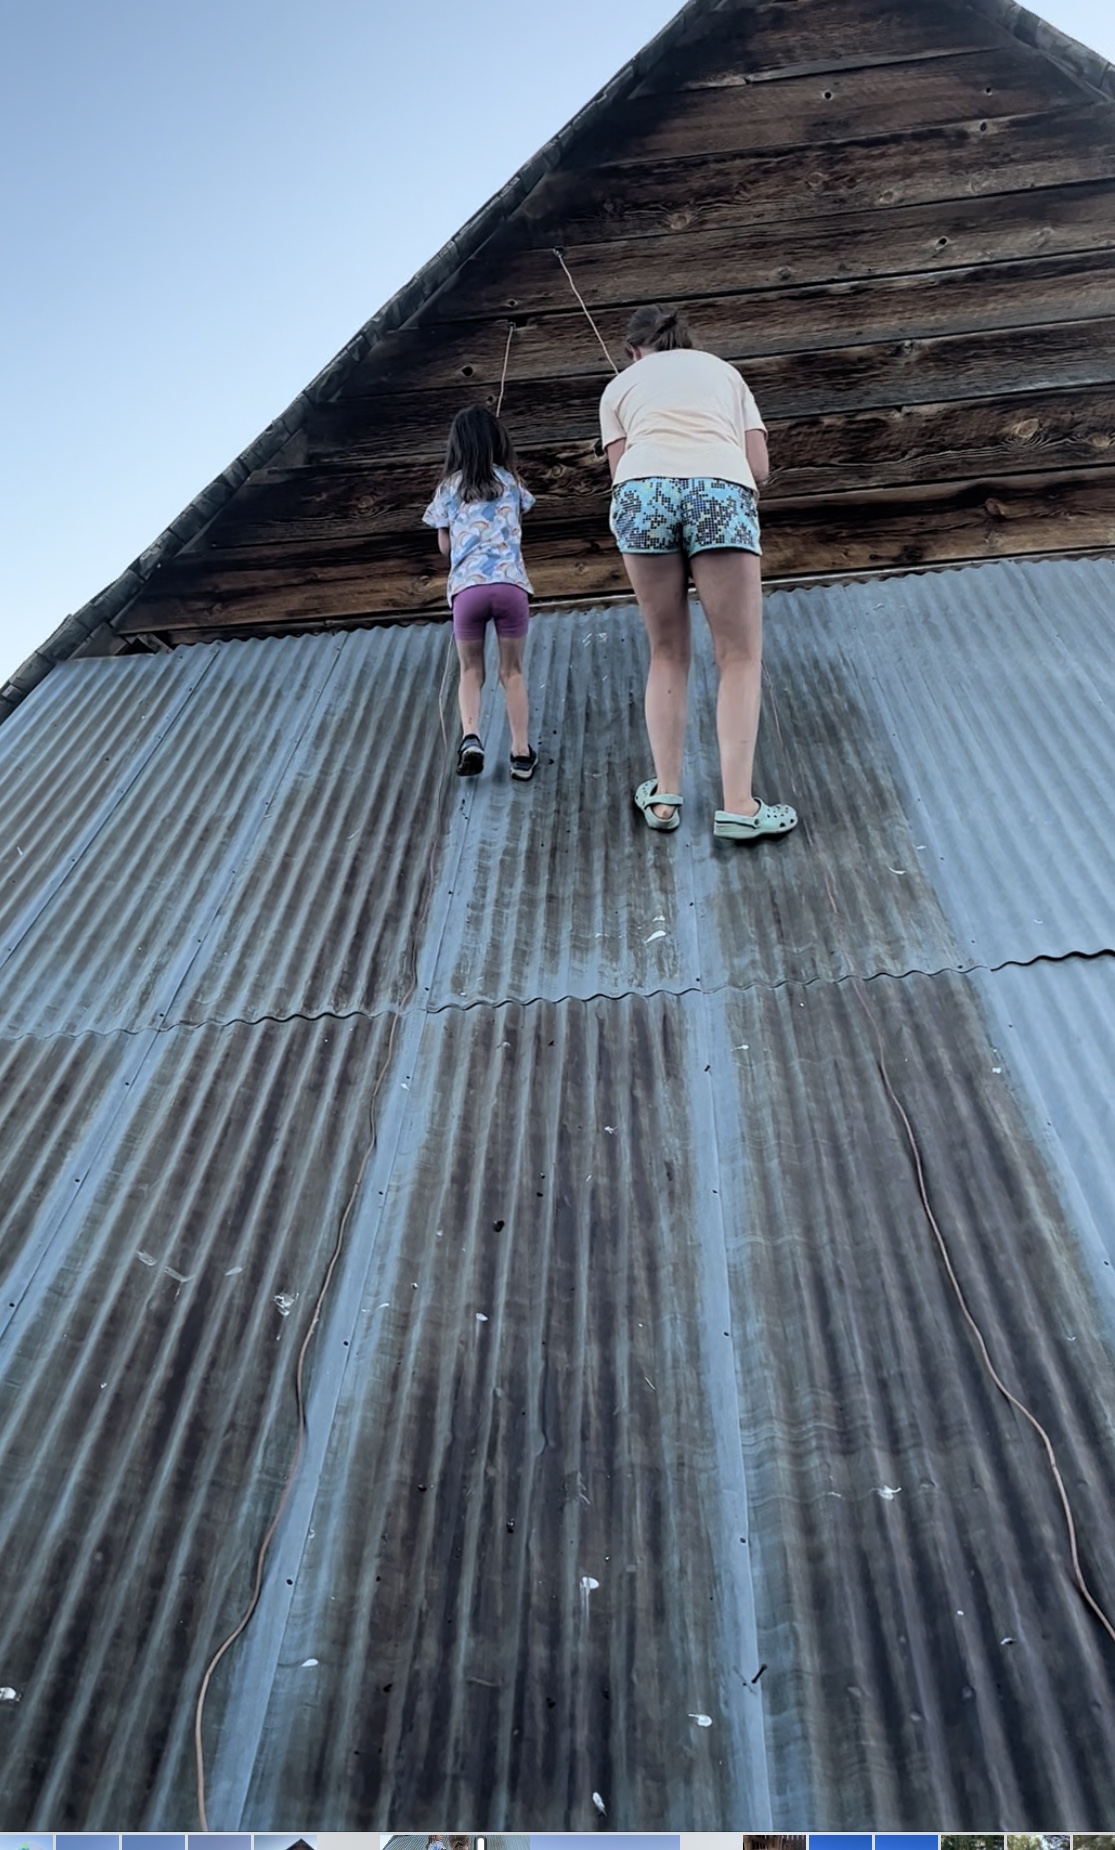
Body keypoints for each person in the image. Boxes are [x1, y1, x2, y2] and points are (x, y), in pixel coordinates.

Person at [599, 304, 797, 841]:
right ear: (685, 341)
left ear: (634, 351)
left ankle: (664, 798)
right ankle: (739, 807)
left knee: (666, 652)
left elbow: (620, 471)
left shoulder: (618, 388)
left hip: (643, 494)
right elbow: (759, 467)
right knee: (738, 656)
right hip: (718, 488)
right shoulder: (725, 373)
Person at [423, 405, 537, 780]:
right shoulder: (511, 482)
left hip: (467, 591)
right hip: (510, 586)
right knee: (512, 672)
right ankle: (521, 753)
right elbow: (519, 521)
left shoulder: (448, 488)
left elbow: (445, 547)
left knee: (471, 670)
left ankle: (471, 737)